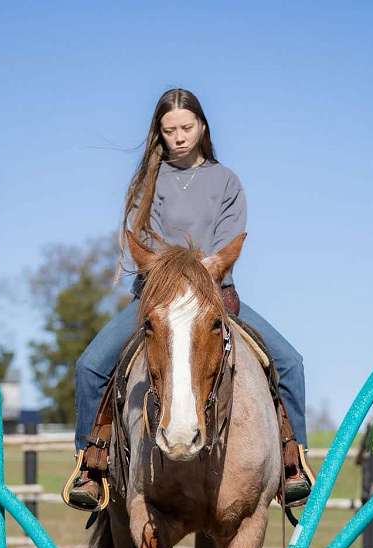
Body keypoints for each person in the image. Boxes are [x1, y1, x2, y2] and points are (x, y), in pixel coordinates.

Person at [67, 88, 311, 510]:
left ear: (202, 126)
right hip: (160, 296)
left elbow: (229, 241)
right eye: (169, 130)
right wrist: (176, 272)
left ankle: (293, 461)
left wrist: (208, 269)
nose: (178, 137)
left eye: (186, 127)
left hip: (215, 294)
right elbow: (149, 240)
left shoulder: (227, 181)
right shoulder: (151, 182)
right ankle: (92, 464)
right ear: (158, 134)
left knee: (289, 362)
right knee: (91, 365)